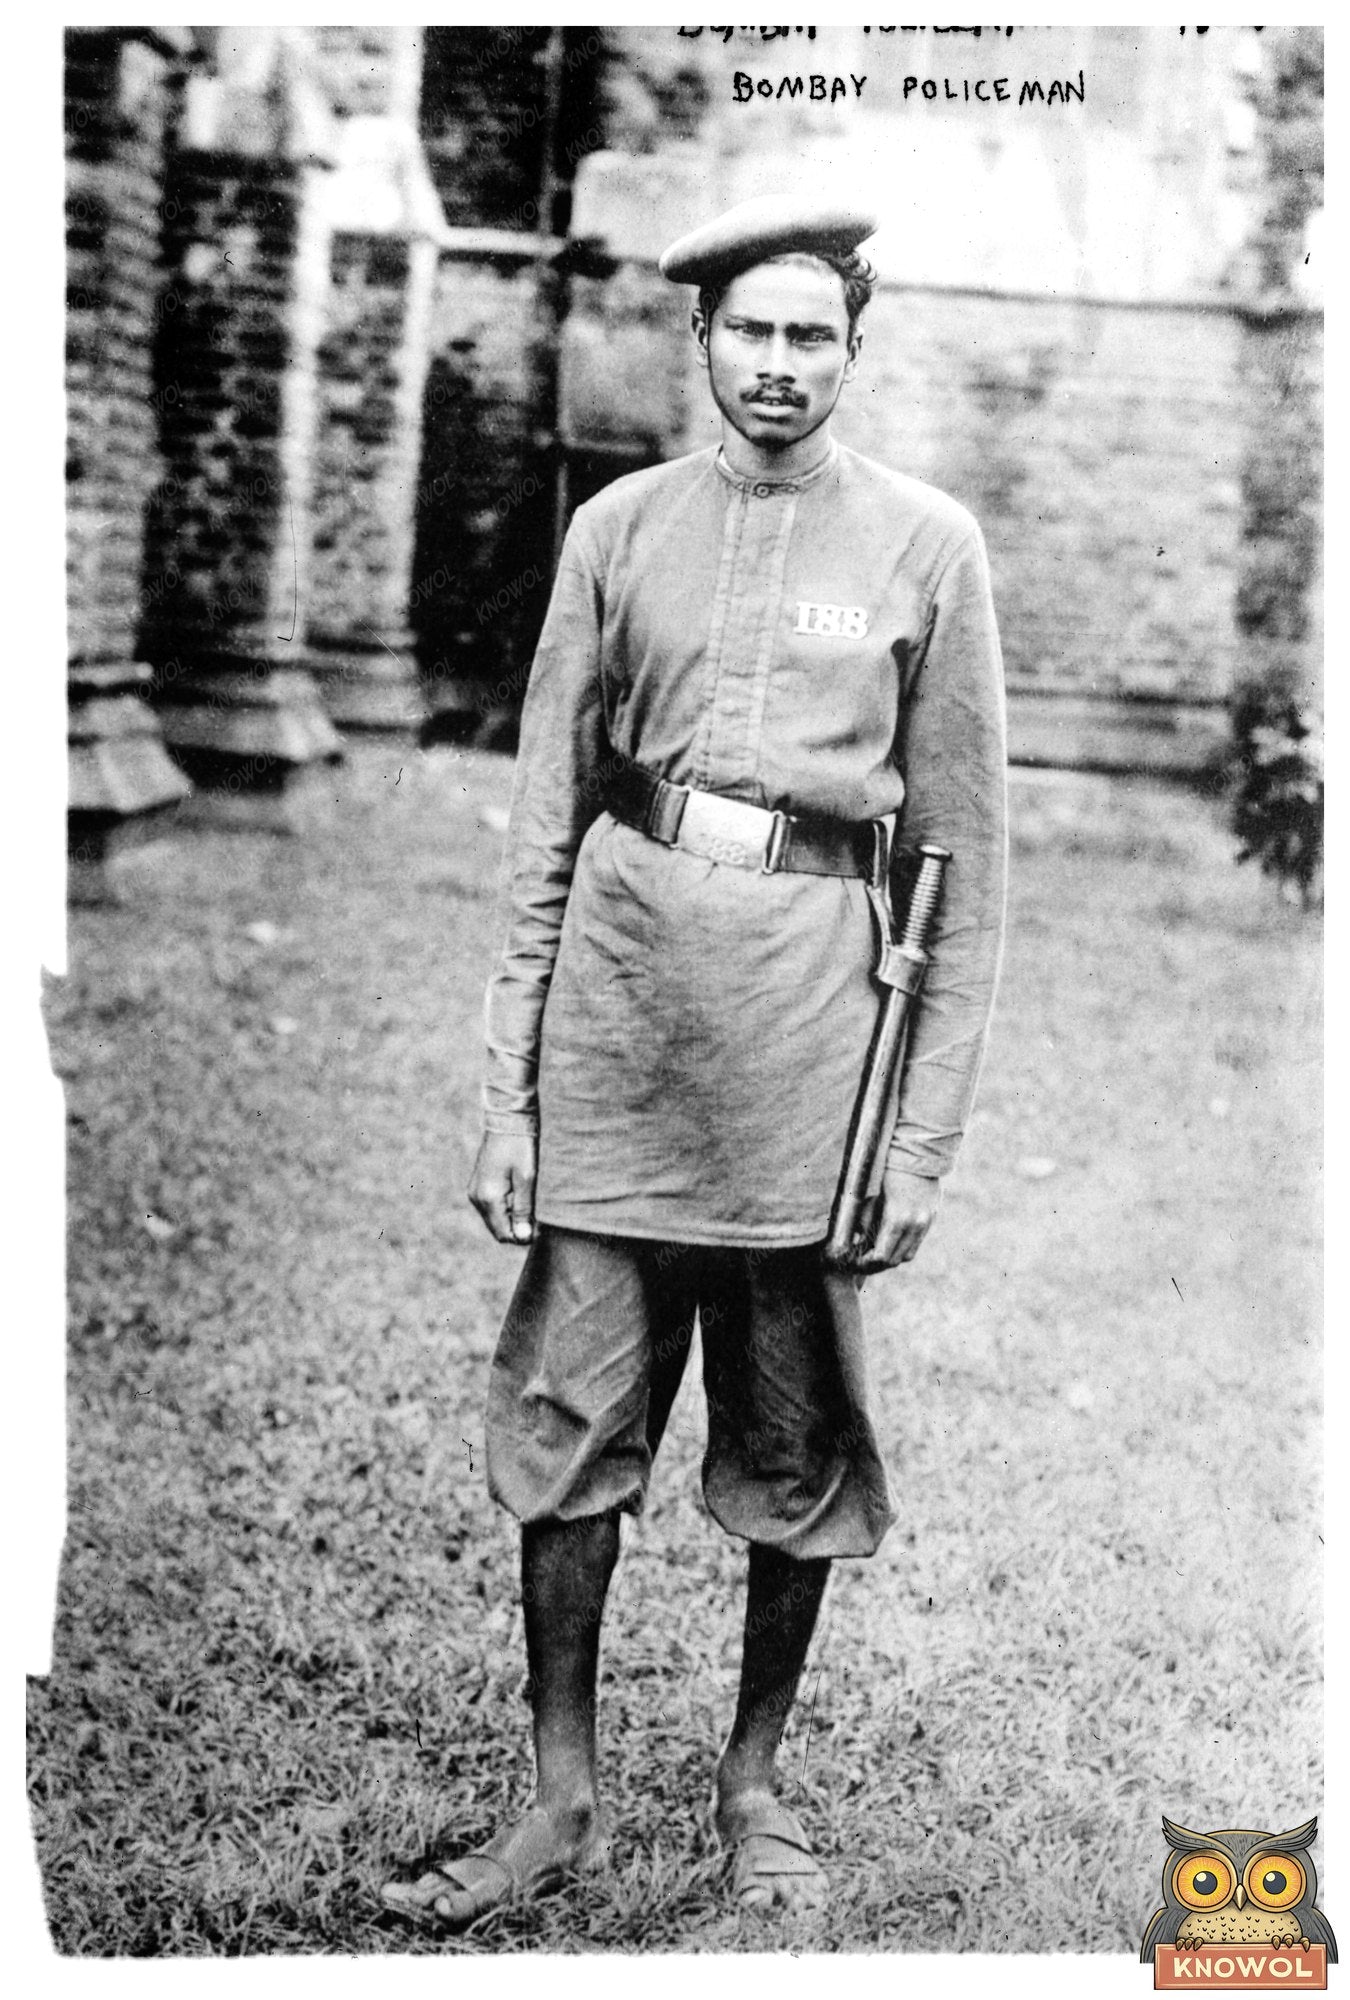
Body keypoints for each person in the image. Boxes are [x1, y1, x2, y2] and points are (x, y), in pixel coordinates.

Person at [382, 193, 1007, 1928]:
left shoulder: (927, 545)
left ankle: (754, 1786)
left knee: (791, 1437)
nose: (782, 367)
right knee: (570, 1415)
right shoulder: (616, 530)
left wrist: (919, 1142)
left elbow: (968, 874)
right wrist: (507, 1092)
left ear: (854, 352)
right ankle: (556, 1796)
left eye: (815, 336)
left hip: (812, 1038)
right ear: (703, 342)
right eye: (753, 332)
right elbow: (537, 830)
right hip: (620, 1015)